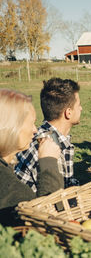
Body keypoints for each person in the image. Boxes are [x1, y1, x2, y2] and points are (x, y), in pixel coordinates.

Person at [0, 89, 63, 226]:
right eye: (31, 123)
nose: (35, 130)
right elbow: (46, 220)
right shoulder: (9, 187)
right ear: (12, 127)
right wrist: (48, 162)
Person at [15, 78, 82, 192]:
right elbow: (55, 197)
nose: (81, 108)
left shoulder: (47, 135)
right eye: (79, 105)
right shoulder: (48, 147)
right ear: (68, 113)